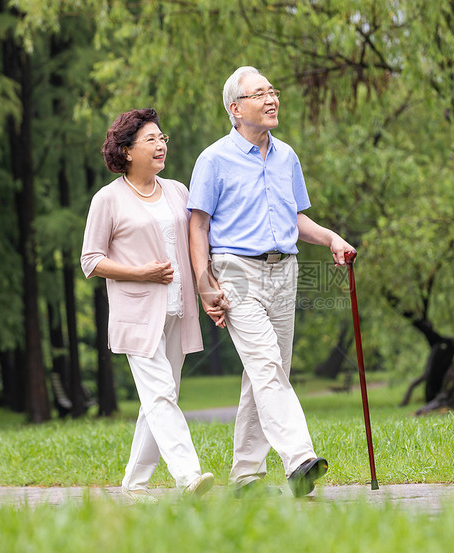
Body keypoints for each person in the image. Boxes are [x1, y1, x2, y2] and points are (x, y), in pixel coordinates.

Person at [188, 66, 355, 497]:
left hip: (285, 270)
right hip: (236, 271)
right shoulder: (213, 159)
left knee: (265, 374)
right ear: (235, 108)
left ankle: (245, 474)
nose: (271, 99)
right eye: (259, 94)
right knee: (266, 367)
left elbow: (295, 218)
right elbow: (198, 226)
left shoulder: (287, 156)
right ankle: (299, 459)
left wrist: (331, 237)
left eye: (273, 91)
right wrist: (205, 283)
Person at [81, 108, 214, 504]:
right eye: (150, 140)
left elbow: (196, 244)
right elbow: (90, 260)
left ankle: (134, 484)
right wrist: (139, 273)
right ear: (125, 152)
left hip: (177, 310)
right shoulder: (108, 199)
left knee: (160, 397)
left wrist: (209, 288)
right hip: (137, 313)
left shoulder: (177, 191)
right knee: (160, 395)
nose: (160, 146)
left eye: (162, 138)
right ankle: (188, 476)